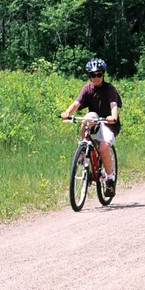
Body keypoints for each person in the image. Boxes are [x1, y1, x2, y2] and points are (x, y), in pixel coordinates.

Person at [61, 58, 121, 197]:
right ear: (89, 76)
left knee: (104, 148)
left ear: (103, 75)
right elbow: (77, 103)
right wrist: (67, 113)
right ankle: (84, 147)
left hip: (108, 123)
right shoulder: (87, 88)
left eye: (99, 75)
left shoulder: (110, 89)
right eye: (93, 75)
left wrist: (113, 117)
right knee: (88, 117)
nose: (96, 78)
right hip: (95, 119)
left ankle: (110, 180)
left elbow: (114, 105)